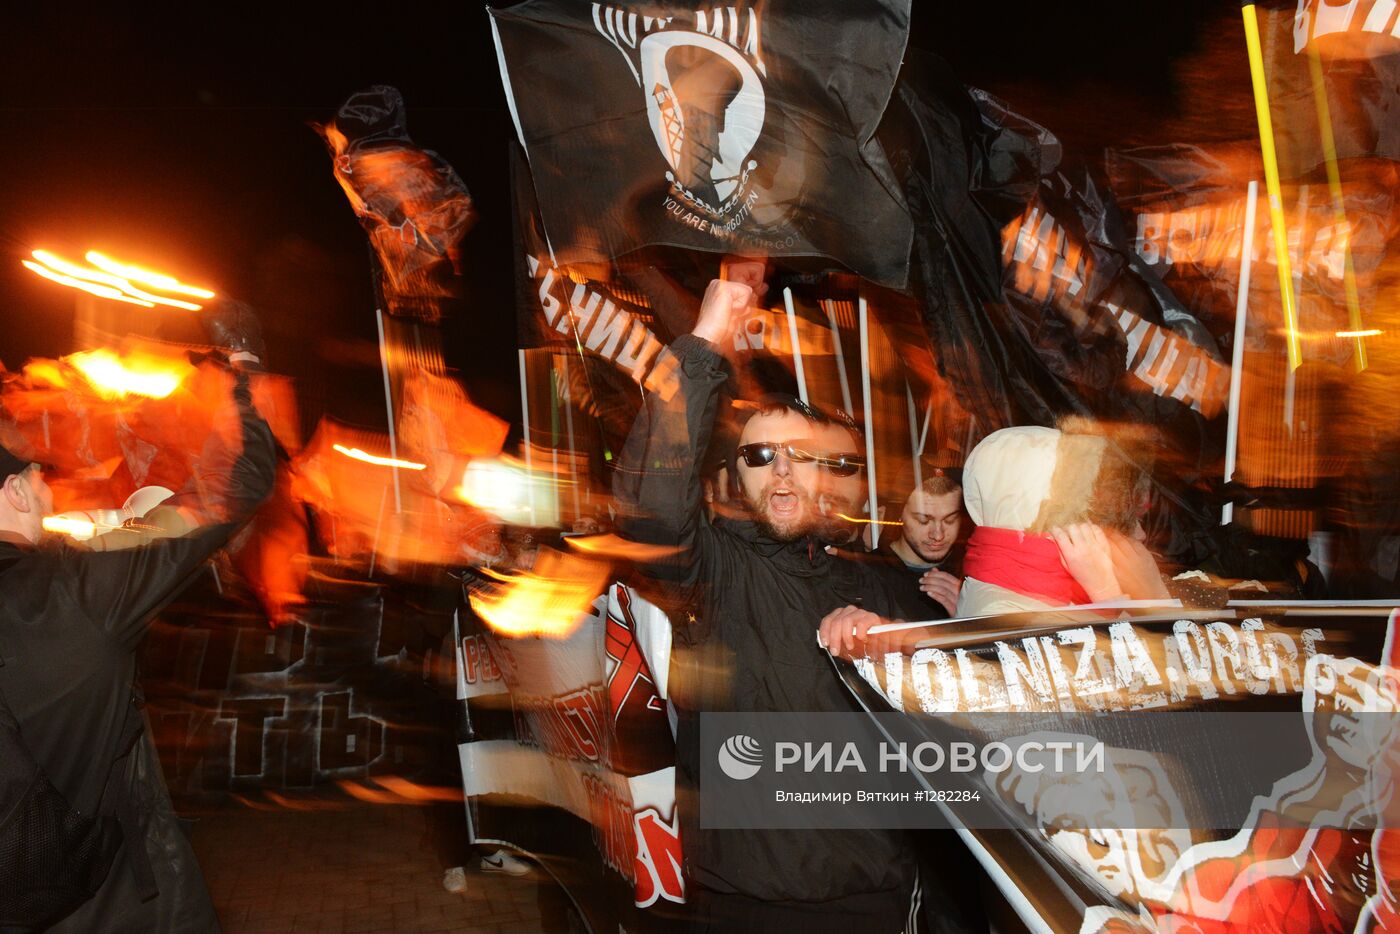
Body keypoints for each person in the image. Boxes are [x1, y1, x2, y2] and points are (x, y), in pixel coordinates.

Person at [614, 279, 920, 932]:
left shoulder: (883, 584)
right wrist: (704, 344)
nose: (781, 470)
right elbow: (651, 509)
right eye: (760, 455)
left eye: (800, 456)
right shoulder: (714, 571)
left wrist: (898, 647)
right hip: (744, 904)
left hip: (872, 899)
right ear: (733, 477)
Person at [0, 302, 275, 933]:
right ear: (14, 491)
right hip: (110, 896)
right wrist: (244, 372)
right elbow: (237, 491)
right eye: (39, 476)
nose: (50, 487)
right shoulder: (81, 592)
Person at [870, 473, 966, 620]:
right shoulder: (868, 573)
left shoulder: (972, 571)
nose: (938, 535)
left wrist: (970, 612)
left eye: (950, 520)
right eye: (923, 520)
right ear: (899, 514)